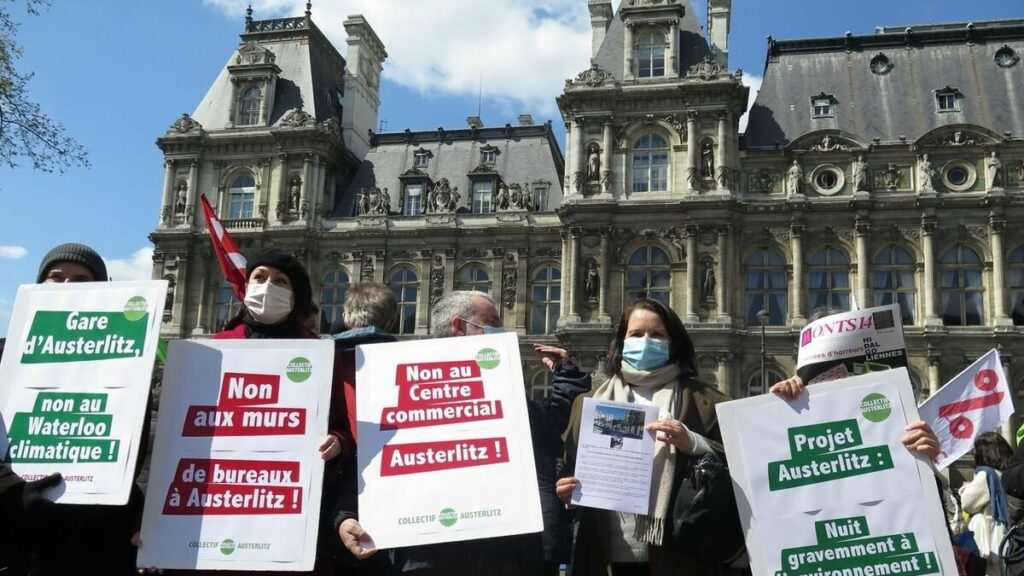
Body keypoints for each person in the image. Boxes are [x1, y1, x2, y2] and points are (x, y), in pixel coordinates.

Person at [335, 291, 589, 576]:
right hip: (427, 555)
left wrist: (564, 375)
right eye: (492, 321)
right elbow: (375, 454)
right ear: (459, 326)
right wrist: (346, 515)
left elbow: (551, 428)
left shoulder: (503, 391)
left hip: (500, 552)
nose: (503, 331)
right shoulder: (403, 381)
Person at [555, 297, 733, 576]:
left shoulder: (704, 400)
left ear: (673, 342)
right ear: (622, 341)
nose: (646, 341)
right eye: (637, 334)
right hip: (605, 556)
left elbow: (742, 463)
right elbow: (569, 470)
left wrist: (694, 442)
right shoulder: (587, 403)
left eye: (657, 334)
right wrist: (567, 494)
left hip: (682, 558)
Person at [23, 243, 152, 576]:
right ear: (40, 284)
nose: (67, 286)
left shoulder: (127, 360)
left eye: (82, 279)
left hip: (102, 531)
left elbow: (134, 445)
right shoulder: (8, 357)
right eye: (56, 277)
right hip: (23, 528)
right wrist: (14, 490)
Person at [960, 432, 1014, 576]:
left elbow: (968, 503)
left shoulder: (986, 474)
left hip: (989, 534)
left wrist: (965, 488)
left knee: (988, 571)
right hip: (1006, 532)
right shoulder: (1009, 472)